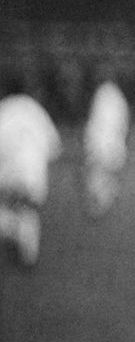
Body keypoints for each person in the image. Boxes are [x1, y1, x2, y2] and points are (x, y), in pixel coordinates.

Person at [0, 88, 62, 267]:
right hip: (35, 177)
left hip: (9, 175)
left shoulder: (4, 109)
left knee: (9, 210)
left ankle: (16, 233)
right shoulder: (37, 110)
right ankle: (27, 252)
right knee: (27, 211)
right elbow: (55, 148)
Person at [83, 76, 131, 217]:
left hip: (104, 143)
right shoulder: (114, 97)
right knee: (103, 175)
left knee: (100, 174)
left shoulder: (106, 95)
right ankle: (102, 201)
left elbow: (100, 123)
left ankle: (100, 202)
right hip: (111, 144)